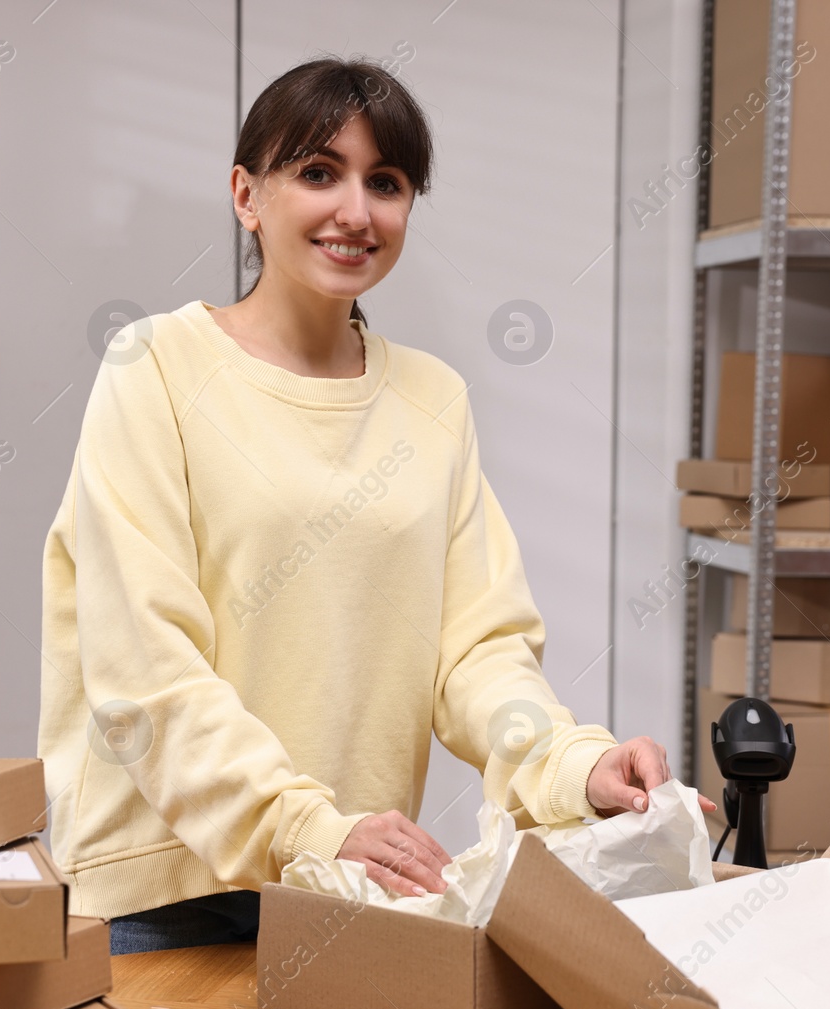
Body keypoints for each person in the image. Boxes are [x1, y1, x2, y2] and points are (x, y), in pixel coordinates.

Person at [38, 54, 713, 957]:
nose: (356, 212)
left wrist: (571, 763)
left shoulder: (433, 401)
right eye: (318, 172)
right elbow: (142, 664)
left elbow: (476, 653)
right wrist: (305, 824)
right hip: (167, 890)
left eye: (385, 183)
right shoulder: (156, 367)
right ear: (247, 194)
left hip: (351, 888)